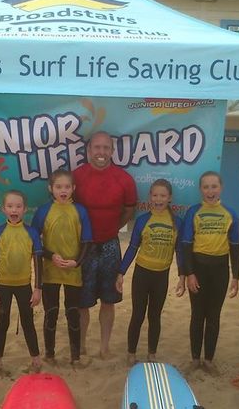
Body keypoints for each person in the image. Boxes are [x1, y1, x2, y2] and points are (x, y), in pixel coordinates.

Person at [73, 131, 137, 358]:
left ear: (112, 151)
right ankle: (80, 346)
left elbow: (129, 210)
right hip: (84, 248)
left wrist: (110, 229)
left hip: (110, 245)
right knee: (82, 302)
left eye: (106, 148)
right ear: (89, 150)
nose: (101, 152)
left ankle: (104, 347)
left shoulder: (124, 179)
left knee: (109, 301)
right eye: (97, 148)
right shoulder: (76, 177)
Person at [116, 179, 186, 366]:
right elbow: (132, 248)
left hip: (161, 276)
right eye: (155, 195)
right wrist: (121, 272)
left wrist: (182, 276)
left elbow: (179, 250)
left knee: (155, 316)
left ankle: (151, 353)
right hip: (142, 274)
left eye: (163, 195)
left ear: (169, 198)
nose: (158, 199)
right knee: (138, 314)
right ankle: (131, 352)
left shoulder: (177, 222)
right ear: (149, 197)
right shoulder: (142, 220)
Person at [181, 171, 239, 374]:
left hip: (220, 270)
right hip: (198, 268)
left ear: (221, 188)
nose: (210, 191)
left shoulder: (230, 213)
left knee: (214, 315)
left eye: (214, 186)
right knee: (197, 314)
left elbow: (235, 247)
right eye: (206, 187)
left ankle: (209, 360)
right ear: (200, 190)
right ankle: (195, 359)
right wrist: (189, 273)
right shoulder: (193, 212)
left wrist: (236, 276)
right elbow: (186, 245)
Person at [31, 170, 92, 367]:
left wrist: (77, 262)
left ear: (74, 188)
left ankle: (75, 356)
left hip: (73, 270)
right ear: (51, 189)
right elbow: (34, 241)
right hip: (50, 271)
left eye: (67, 187)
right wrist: (51, 255)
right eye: (58, 187)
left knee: (73, 312)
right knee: (51, 313)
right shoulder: (43, 211)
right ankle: (49, 353)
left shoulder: (80, 211)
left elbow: (87, 241)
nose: (63, 191)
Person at [0, 190, 43, 377]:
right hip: (3, 285)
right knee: (2, 323)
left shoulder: (31, 233)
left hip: (24, 286)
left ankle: (36, 360)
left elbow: (38, 262)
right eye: (10, 206)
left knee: (28, 323)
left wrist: (37, 289)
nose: (14, 210)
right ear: (3, 209)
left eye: (18, 206)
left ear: (25, 209)